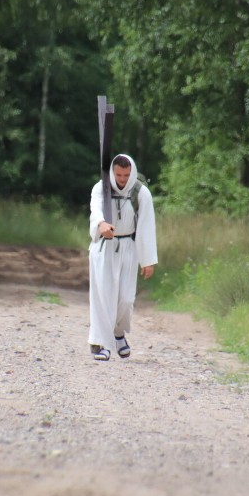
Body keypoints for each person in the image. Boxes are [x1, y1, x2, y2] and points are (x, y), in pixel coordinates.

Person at [88, 153, 158, 361]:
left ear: (132, 172)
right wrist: (101, 224)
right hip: (104, 247)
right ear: (112, 172)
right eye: (118, 175)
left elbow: (146, 226)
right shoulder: (101, 187)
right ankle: (101, 342)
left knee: (126, 299)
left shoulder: (140, 192)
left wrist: (147, 260)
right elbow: (95, 209)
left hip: (129, 247)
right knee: (104, 296)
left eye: (126, 175)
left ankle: (118, 333)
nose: (122, 179)